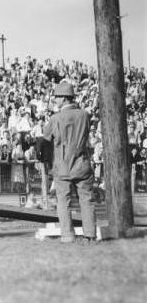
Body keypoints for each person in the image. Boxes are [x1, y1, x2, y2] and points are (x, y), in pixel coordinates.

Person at [43, 80, 96, 243]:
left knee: (63, 201)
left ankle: (67, 235)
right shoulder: (85, 115)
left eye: (57, 98)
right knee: (86, 200)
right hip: (82, 164)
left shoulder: (55, 118)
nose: (56, 101)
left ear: (64, 98)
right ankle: (90, 235)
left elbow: (46, 139)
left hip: (63, 166)